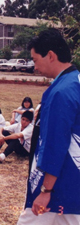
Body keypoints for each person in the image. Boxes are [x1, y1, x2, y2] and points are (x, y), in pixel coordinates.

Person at [17, 29, 80, 224]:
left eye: (35, 60)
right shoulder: (75, 80)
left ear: (51, 55)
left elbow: (55, 143)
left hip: (59, 183)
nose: (34, 67)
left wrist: (46, 190)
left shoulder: (60, 92)